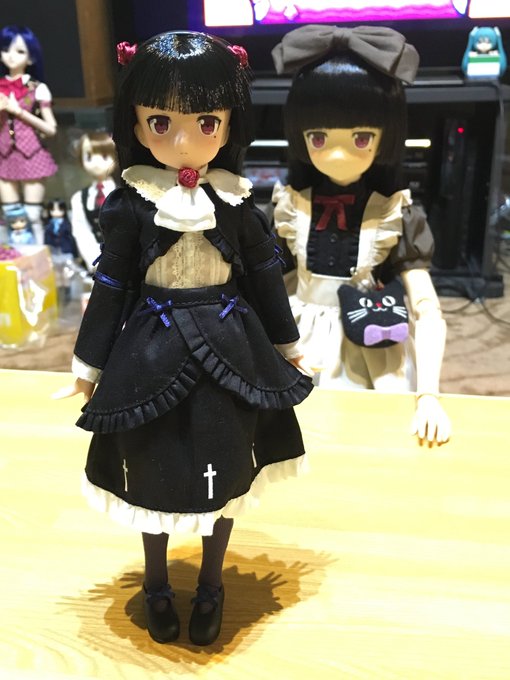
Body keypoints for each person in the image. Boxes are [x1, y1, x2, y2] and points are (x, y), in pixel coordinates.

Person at [59, 31, 313, 646]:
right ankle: (155, 583)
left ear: (228, 125)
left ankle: (210, 585)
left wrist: (288, 346)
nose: (183, 141)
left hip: (231, 346)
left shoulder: (237, 204)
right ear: (135, 124)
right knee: (151, 469)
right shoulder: (130, 206)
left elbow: (265, 279)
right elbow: (111, 285)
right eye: (160, 122)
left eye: (205, 122)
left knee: (227, 470)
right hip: (150, 349)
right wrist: (88, 365)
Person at [272, 25, 450, 444]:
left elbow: (426, 307)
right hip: (299, 339)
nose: (338, 154)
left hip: (369, 335)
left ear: (386, 136)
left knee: (373, 437)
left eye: (361, 137)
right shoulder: (288, 207)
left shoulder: (394, 212)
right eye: (318, 138)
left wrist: (429, 395)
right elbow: (260, 286)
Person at [0, 25, 58, 244]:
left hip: (32, 154)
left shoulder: (38, 88)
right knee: (11, 215)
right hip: (4, 156)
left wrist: (19, 112)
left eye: (19, 51)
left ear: (31, 57)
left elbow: (51, 129)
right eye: (6, 49)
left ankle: (40, 254)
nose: (11, 56)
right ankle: (13, 256)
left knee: (33, 216)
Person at [70, 132, 117, 272]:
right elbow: (81, 231)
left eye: (104, 156)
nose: (96, 163)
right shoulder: (79, 198)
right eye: (89, 157)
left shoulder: (124, 193)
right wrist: (94, 260)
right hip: (97, 264)